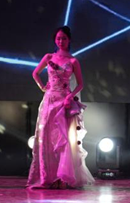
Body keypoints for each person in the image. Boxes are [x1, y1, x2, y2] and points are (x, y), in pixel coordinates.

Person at [27, 26, 94, 189]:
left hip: (64, 102)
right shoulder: (49, 57)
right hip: (49, 100)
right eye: (58, 38)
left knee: (63, 139)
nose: (61, 41)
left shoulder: (73, 61)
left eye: (64, 38)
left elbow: (80, 84)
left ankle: (62, 177)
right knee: (46, 137)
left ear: (69, 40)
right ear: (55, 40)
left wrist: (70, 96)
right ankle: (47, 176)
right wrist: (43, 87)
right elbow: (35, 73)